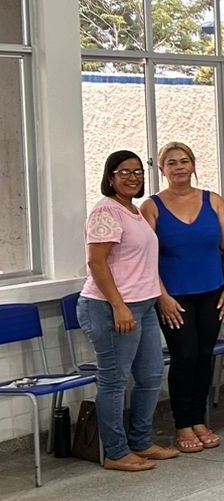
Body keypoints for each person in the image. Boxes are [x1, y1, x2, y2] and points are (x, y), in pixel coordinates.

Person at [78, 151, 178, 471]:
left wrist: (156, 298)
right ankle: (116, 452)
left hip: (144, 305)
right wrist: (119, 306)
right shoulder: (106, 211)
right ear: (111, 177)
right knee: (114, 380)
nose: (133, 177)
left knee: (150, 376)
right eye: (124, 172)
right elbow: (96, 262)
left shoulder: (132, 210)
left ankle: (141, 441)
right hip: (111, 307)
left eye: (137, 172)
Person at [141, 141, 224, 454]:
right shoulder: (152, 207)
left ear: (193, 164)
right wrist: (161, 296)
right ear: (162, 169)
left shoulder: (214, 201)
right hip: (174, 298)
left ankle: (198, 419)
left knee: (203, 355)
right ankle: (182, 423)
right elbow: (145, 257)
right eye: (171, 163)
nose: (179, 167)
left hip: (212, 292)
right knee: (184, 356)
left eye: (184, 161)